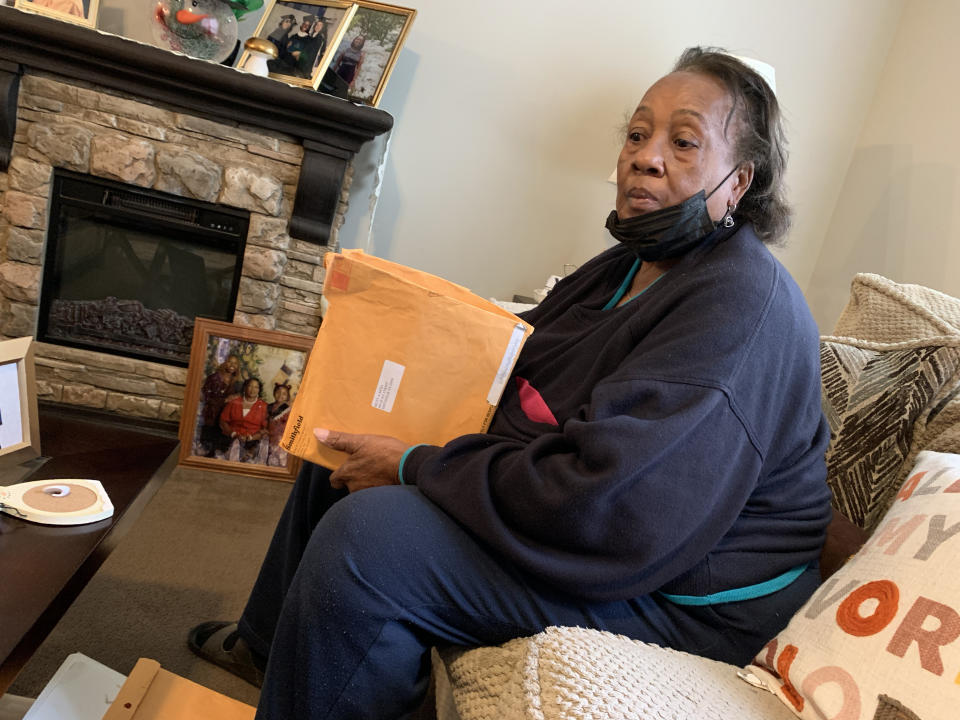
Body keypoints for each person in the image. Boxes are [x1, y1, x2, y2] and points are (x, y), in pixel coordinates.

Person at [188, 47, 833, 719]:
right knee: (345, 440)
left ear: (738, 182)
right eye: (638, 134)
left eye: (684, 142)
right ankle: (272, 652)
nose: (645, 156)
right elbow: (515, 379)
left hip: (678, 592)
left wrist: (417, 466)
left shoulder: (740, 308)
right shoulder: (628, 264)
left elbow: (612, 510)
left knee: (366, 546)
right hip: (608, 524)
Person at [197, 354, 240, 457]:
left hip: (224, 417)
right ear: (225, 362)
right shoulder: (214, 377)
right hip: (211, 415)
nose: (232, 365)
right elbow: (205, 397)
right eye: (230, 361)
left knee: (218, 446)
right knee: (206, 445)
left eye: (235, 363)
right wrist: (224, 400)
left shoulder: (235, 382)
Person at [219, 377, 268, 463]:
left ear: (259, 390)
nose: (252, 389)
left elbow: (265, 429)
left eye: (256, 387)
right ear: (245, 387)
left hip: (253, 442)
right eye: (250, 386)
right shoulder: (234, 402)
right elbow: (223, 421)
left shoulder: (264, 406)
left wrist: (251, 437)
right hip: (230, 438)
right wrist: (233, 434)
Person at [265, 382, 292, 467]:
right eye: (278, 392)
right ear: (274, 393)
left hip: (283, 439)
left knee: (282, 461)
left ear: (287, 396)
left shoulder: (289, 408)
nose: (280, 395)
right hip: (270, 437)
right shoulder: (269, 407)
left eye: (284, 394)